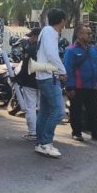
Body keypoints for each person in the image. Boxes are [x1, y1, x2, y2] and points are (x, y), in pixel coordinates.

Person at [64, 25, 97, 142]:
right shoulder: (71, 50)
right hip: (78, 87)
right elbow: (68, 70)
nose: (91, 35)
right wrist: (70, 87)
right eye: (88, 33)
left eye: (91, 33)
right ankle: (76, 133)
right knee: (76, 111)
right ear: (79, 34)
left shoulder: (93, 49)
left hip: (92, 86)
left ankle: (96, 133)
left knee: (93, 111)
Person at [35, 8, 68, 159]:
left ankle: (40, 142)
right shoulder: (50, 32)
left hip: (44, 75)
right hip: (48, 77)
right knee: (59, 111)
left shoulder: (47, 31)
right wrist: (62, 70)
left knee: (45, 111)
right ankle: (45, 143)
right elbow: (51, 54)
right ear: (62, 20)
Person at [13, 28, 41, 140]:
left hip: (30, 82)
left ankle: (32, 132)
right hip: (43, 81)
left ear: (36, 36)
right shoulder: (46, 48)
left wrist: (17, 78)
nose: (30, 38)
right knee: (42, 108)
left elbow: (25, 67)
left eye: (32, 36)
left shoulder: (30, 49)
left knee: (30, 107)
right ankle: (42, 132)